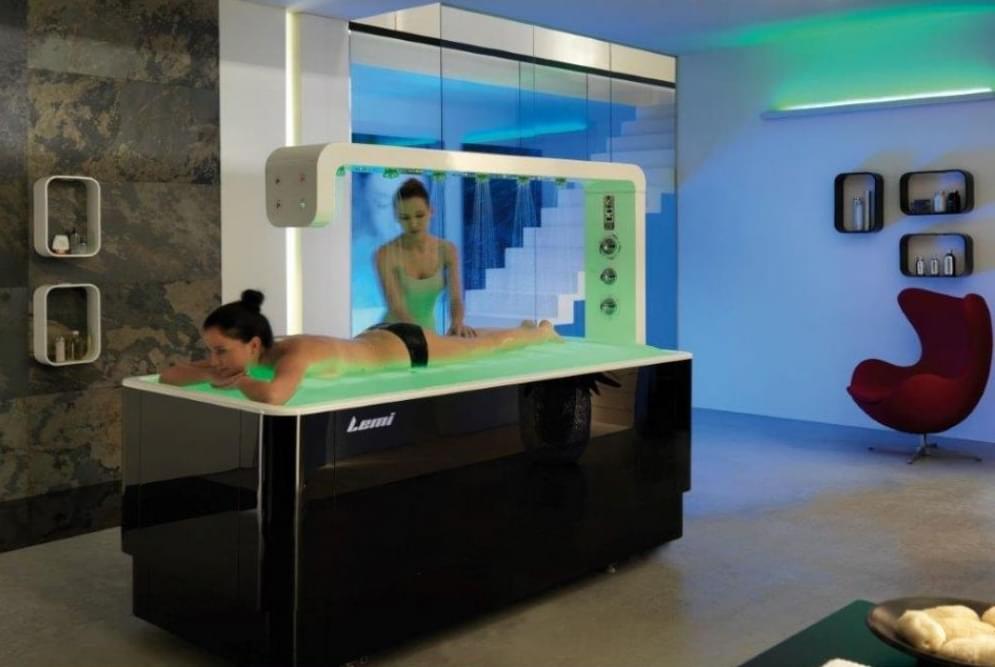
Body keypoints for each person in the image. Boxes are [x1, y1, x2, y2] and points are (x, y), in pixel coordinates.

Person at [160, 290, 558, 405]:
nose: (214, 359)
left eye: (220, 351)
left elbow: (277, 396)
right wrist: (212, 371)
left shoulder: (292, 356)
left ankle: (540, 332)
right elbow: (169, 375)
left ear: (253, 345)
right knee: (468, 343)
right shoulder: (251, 357)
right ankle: (520, 329)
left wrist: (234, 380)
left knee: (490, 348)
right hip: (377, 335)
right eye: (211, 351)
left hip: (406, 348)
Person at [375, 178, 476, 337]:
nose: (413, 224)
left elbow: (455, 299)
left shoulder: (447, 250)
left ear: (431, 211)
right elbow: (397, 307)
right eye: (405, 218)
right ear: (396, 217)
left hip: (429, 332)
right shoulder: (385, 254)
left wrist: (457, 322)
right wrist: (424, 339)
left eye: (419, 215)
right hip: (393, 334)